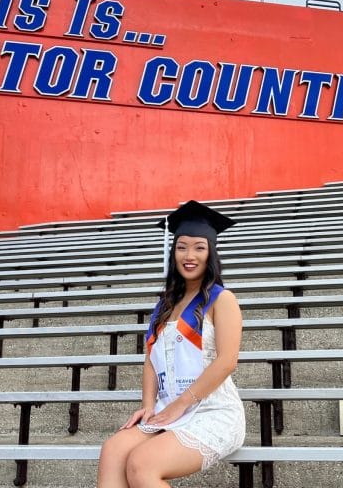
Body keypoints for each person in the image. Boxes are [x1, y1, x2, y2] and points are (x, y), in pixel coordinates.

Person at [97, 200, 245, 488]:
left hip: (211, 411)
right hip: (168, 409)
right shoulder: (165, 304)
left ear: (211, 253)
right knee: (113, 450)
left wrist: (180, 405)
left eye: (199, 247)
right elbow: (151, 358)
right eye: (182, 247)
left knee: (142, 464)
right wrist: (149, 405)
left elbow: (228, 360)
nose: (189, 255)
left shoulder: (221, 299)